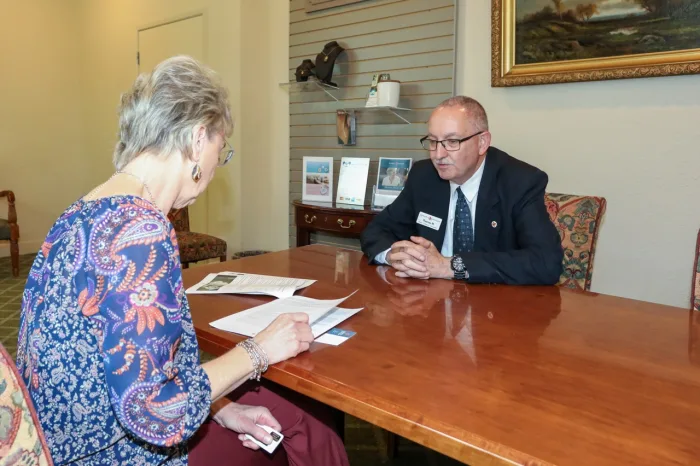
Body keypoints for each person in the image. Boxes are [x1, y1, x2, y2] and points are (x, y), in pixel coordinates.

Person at [16, 56, 349, 466]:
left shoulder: (84, 212)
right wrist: (259, 351)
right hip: (113, 453)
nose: (215, 166)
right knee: (303, 427)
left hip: (67, 439)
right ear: (196, 139)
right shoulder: (140, 232)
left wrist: (221, 407)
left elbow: (128, 366)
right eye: (220, 149)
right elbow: (154, 411)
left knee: (284, 418)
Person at [360, 96, 562, 285]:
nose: (438, 154)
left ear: (482, 142)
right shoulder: (424, 176)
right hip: (432, 303)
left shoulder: (520, 181)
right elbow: (375, 231)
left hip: (496, 307)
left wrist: (448, 266)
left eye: (452, 142)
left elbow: (546, 261)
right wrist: (394, 255)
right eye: (433, 141)